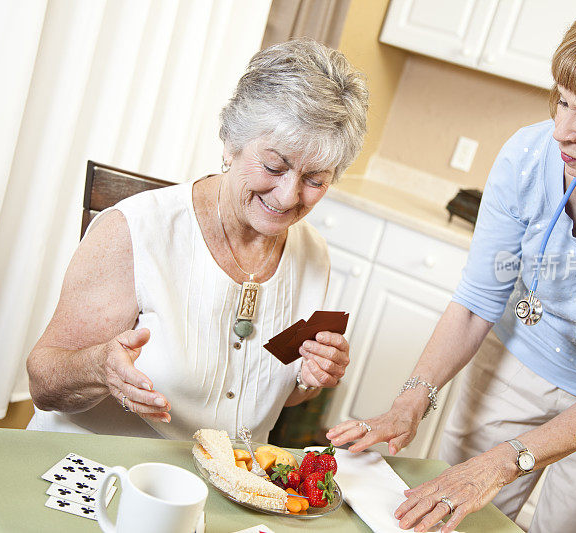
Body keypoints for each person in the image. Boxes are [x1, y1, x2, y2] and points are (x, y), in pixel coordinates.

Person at [328, 1, 576, 531]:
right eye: (561, 101)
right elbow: (475, 304)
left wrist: (502, 462)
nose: (561, 130)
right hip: (515, 360)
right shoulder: (530, 157)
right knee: (454, 520)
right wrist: (409, 400)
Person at [26, 38, 368, 443]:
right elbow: (42, 382)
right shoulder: (135, 230)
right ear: (230, 143)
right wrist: (99, 367)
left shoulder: (314, 257)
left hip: (226, 485)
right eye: (274, 165)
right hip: (103, 469)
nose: (288, 196)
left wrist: (312, 376)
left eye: (315, 181)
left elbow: (270, 391)